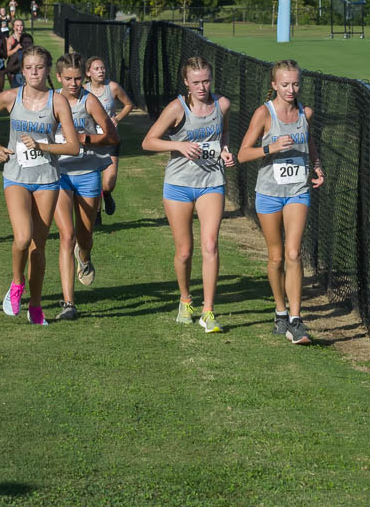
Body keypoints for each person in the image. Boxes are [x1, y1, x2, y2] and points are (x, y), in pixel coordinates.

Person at [0, 45, 79, 326]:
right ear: (21, 71)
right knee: (22, 238)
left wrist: (43, 146)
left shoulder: (57, 102)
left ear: (48, 71)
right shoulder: (11, 97)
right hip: (16, 177)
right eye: (29, 68)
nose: (34, 72)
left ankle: (36, 306)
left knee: (38, 246)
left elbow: (73, 146)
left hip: (47, 179)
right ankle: (17, 283)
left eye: (39, 67)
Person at [141, 56, 235, 333]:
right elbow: (148, 141)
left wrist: (226, 151)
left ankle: (208, 311)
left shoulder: (223, 104)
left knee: (210, 244)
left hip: (211, 182)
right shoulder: (176, 108)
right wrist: (180, 146)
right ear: (186, 82)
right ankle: (185, 300)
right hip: (179, 184)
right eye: (196, 82)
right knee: (184, 251)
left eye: (206, 80)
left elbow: (224, 133)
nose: (202, 87)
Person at [236, 60, 325, 344]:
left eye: (296, 84)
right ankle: (280, 312)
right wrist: (270, 147)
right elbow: (242, 154)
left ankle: (297, 321)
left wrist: (317, 165)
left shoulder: (305, 112)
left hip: (298, 190)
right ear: (274, 84)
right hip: (269, 193)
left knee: (294, 253)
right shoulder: (264, 113)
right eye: (285, 84)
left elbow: (308, 141)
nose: (291, 89)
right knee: (275, 257)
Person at [51, 53, 119, 320]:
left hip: (88, 172)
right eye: (68, 78)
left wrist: (86, 139)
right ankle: (69, 303)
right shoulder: (52, 101)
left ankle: (85, 256)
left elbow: (112, 136)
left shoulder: (89, 101)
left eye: (78, 78)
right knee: (66, 235)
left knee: (85, 234)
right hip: (59, 173)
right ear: (59, 78)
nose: (73, 83)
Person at [85, 56, 134, 219]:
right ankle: (96, 213)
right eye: (96, 68)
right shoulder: (83, 90)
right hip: (91, 140)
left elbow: (128, 104)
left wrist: (117, 118)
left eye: (102, 68)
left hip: (111, 139)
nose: (101, 71)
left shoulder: (112, 87)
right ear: (88, 72)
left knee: (108, 183)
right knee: (93, 179)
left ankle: (106, 195)